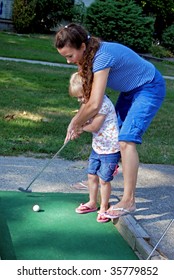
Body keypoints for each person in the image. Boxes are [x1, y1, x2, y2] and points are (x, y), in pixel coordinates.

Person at [55, 23, 166, 219]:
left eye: (70, 56)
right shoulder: (85, 58)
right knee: (115, 135)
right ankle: (101, 177)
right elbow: (88, 98)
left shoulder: (102, 57)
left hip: (149, 87)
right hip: (130, 90)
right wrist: (79, 123)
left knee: (126, 140)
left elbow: (95, 104)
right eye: (65, 57)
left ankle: (129, 200)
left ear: (82, 46)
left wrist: (74, 122)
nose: (68, 61)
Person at [69, 72, 120, 223]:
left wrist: (80, 128)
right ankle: (92, 202)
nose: (80, 100)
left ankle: (104, 207)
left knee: (104, 180)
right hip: (98, 147)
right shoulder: (90, 103)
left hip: (110, 149)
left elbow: (95, 125)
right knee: (92, 175)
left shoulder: (103, 103)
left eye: (81, 96)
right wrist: (76, 126)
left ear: (91, 89)